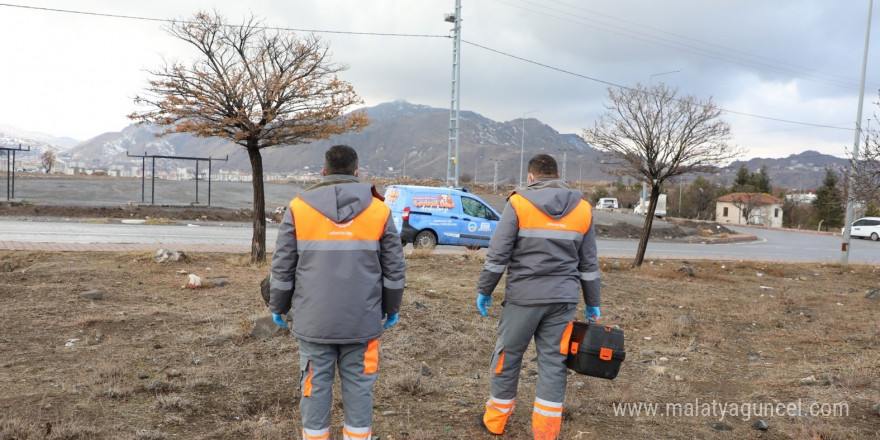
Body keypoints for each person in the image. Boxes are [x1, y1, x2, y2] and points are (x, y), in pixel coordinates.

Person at [269, 144, 406, 440]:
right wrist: (391, 308)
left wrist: (278, 307)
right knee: (359, 387)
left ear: (323, 172)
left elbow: (282, 266)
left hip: (313, 322)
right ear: (357, 173)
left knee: (314, 387)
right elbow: (394, 269)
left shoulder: (299, 207)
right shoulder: (380, 209)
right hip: (363, 322)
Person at [476, 154, 601, 440]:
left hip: (523, 298)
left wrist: (485, 290)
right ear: (559, 175)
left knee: (507, 357)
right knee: (554, 363)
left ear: (531, 177)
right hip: (562, 301)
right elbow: (589, 265)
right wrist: (593, 301)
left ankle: (495, 422)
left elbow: (497, 256)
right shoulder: (583, 209)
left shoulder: (519, 202)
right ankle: (545, 432)